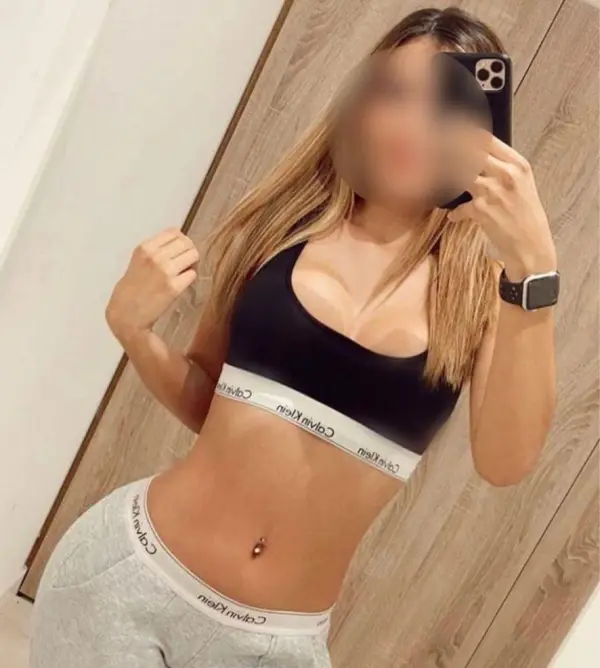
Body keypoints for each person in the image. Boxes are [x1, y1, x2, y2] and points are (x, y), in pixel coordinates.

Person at [30, 6, 558, 668]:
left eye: (443, 106)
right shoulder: (281, 228)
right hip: (127, 580)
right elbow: (208, 403)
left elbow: (506, 463)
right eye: (394, 93)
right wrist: (132, 331)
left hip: (272, 645)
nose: (411, 125)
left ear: (484, 130)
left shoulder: (486, 299)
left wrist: (534, 268)